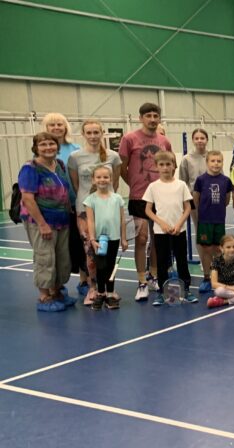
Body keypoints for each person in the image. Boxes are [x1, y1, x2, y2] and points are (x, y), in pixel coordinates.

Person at [119, 102, 171, 300]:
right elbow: (122, 168)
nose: (152, 119)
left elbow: (170, 166)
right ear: (140, 118)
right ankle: (141, 281)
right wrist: (135, 185)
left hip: (161, 198)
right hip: (139, 197)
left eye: (155, 115)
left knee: (158, 238)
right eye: (148, 115)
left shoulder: (164, 141)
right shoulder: (129, 139)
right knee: (141, 239)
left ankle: (153, 275)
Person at [19, 132, 76, 311]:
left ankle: (57, 292)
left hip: (62, 219)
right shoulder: (30, 168)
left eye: (51, 144)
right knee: (45, 257)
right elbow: (28, 199)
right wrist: (42, 224)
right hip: (41, 221)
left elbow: (64, 190)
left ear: (57, 147)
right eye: (43, 144)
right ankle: (44, 297)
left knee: (61, 258)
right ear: (36, 148)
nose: (48, 147)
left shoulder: (59, 165)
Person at [69, 120, 121, 304]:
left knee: (110, 251)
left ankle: (109, 289)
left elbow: (115, 182)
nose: (93, 136)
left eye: (96, 132)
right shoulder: (75, 157)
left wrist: (105, 202)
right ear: (83, 134)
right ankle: (93, 288)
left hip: (108, 211)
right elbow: (76, 185)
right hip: (85, 210)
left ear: (102, 133)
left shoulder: (113, 156)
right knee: (91, 251)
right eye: (89, 133)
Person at [143, 150, 196, 306]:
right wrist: (162, 223)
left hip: (179, 231)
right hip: (161, 232)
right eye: (162, 164)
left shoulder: (181, 185)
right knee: (162, 262)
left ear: (174, 166)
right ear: (156, 166)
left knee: (182, 260)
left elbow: (187, 208)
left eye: (168, 164)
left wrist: (179, 224)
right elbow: (148, 210)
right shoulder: (153, 187)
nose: (165, 167)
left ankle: (186, 290)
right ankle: (162, 292)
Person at [83, 166, 127, 310]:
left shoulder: (117, 199)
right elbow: (90, 221)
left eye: (105, 177)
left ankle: (110, 294)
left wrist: (123, 238)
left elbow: (122, 220)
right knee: (101, 267)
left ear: (111, 179)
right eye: (99, 177)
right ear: (93, 180)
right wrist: (92, 239)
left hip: (114, 238)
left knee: (111, 266)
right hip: (99, 240)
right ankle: (101, 293)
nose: (102, 180)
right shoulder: (90, 200)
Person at [193, 150, 234, 294]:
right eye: (213, 161)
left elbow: (227, 200)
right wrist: (202, 213)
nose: (216, 164)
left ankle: (219, 277)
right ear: (207, 162)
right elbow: (196, 199)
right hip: (205, 221)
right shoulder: (201, 180)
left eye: (219, 161)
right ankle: (206, 277)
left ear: (222, 163)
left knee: (218, 249)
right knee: (206, 249)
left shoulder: (226, 181)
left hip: (219, 220)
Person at [179, 128, 209, 230]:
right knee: (200, 229)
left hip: (211, 197)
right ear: (193, 140)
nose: (199, 140)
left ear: (207, 140)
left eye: (202, 138)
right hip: (194, 198)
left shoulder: (212, 156)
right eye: (196, 138)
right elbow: (183, 181)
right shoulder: (186, 159)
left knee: (213, 228)